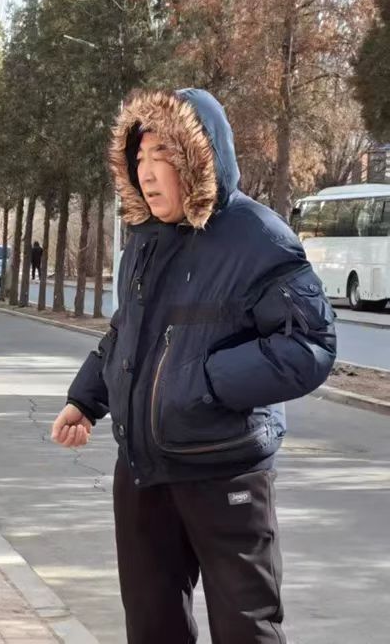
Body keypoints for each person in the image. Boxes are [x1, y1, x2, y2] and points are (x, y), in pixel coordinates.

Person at [51, 89, 336, 644]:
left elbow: (310, 343)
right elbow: (126, 331)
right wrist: (85, 399)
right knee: (151, 628)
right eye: (139, 158)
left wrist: (205, 382)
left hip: (225, 470)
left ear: (197, 158)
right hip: (143, 471)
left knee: (246, 630)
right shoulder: (143, 240)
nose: (147, 173)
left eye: (162, 156)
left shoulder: (257, 236)